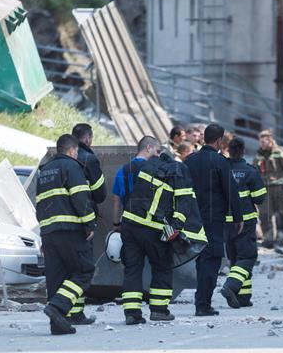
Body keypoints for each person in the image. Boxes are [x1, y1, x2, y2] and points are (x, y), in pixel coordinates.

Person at [119, 136, 206, 324]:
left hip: (130, 225)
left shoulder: (148, 167)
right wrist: (176, 228)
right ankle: (159, 310)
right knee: (162, 266)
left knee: (133, 269)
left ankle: (132, 313)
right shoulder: (179, 170)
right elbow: (184, 202)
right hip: (155, 229)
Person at [36, 134, 97, 335]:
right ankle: (58, 306)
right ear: (72, 151)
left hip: (49, 232)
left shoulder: (44, 171)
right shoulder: (72, 166)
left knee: (56, 277)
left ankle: (57, 324)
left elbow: (39, 205)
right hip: (70, 229)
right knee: (84, 270)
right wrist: (90, 223)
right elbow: (81, 197)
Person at [186, 124, 242, 316]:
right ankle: (203, 304)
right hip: (214, 220)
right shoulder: (221, 162)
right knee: (211, 260)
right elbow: (231, 192)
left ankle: (200, 300)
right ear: (219, 141)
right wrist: (238, 217)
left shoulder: (189, 161)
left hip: (192, 220)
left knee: (201, 258)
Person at [220, 137, 267, 308]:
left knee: (235, 259)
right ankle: (230, 286)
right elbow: (259, 198)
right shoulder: (250, 171)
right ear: (243, 151)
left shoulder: (221, 169)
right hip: (245, 221)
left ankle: (243, 297)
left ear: (229, 150)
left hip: (225, 222)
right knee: (247, 256)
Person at [71, 123, 106, 322]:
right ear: (87, 139)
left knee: (69, 268)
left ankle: (67, 309)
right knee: (83, 268)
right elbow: (100, 193)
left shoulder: (56, 160)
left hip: (59, 224)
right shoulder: (89, 159)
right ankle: (73, 310)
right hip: (83, 222)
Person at [254, 129, 283, 248]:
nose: (262, 144)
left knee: (281, 213)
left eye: (264, 141)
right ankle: (268, 239)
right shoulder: (258, 155)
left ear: (271, 141)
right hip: (264, 189)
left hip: (280, 188)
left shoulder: (281, 153)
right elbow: (254, 171)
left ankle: (281, 238)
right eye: (260, 141)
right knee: (264, 214)